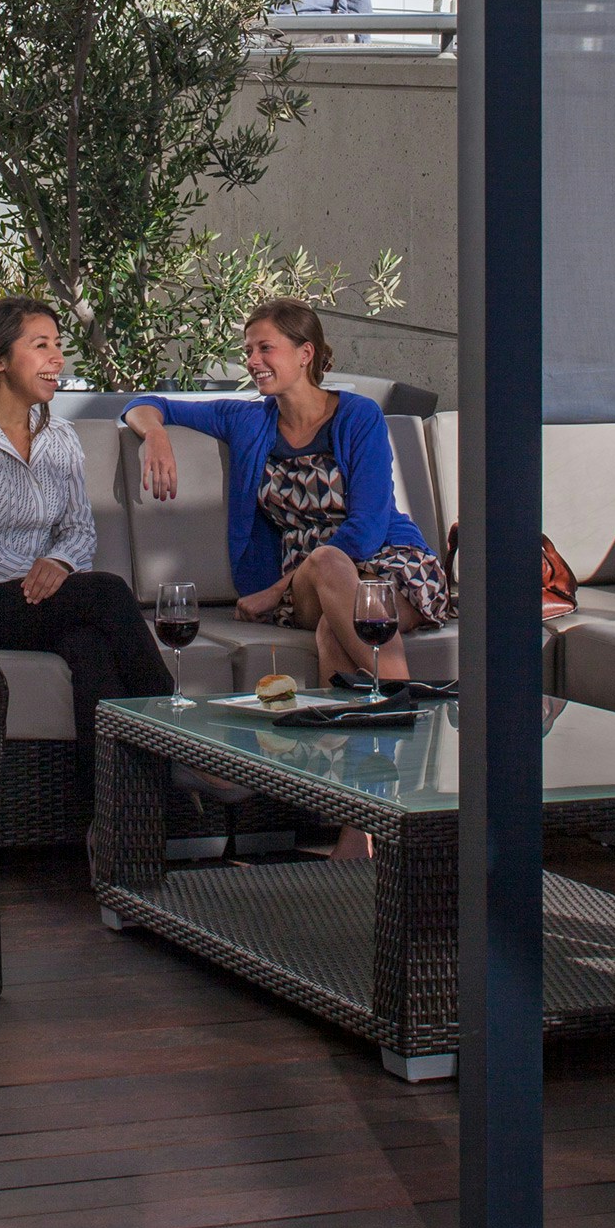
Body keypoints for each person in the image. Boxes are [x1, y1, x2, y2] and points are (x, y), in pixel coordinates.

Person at [123, 298, 452, 859]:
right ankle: (407, 753)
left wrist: (274, 589)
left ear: (305, 354)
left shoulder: (358, 416)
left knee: (332, 631)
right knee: (326, 571)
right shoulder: (247, 419)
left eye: (265, 348)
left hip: (390, 562)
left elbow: (370, 523)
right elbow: (145, 403)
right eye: (248, 349)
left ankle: (358, 831)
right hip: (310, 581)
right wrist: (154, 435)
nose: (252, 360)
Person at [0, 296, 171, 838]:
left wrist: (57, 562)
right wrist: (46, 578)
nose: (58, 358)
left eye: (58, 344)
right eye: (41, 345)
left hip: (36, 599)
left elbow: (79, 531)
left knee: (90, 647)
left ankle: (111, 825)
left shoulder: (60, 439)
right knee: (107, 593)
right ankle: (180, 736)